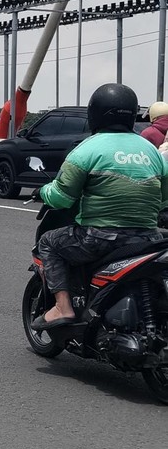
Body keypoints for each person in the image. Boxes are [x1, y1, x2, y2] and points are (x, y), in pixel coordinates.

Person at [33, 83, 168, 331]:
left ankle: (63, 306)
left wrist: (42, 191)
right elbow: (164, 197)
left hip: (100, 239)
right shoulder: (151, 151)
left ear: (95, 113)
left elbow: (62, 197)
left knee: (49, 242)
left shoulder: (86, 150)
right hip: (148, 238)